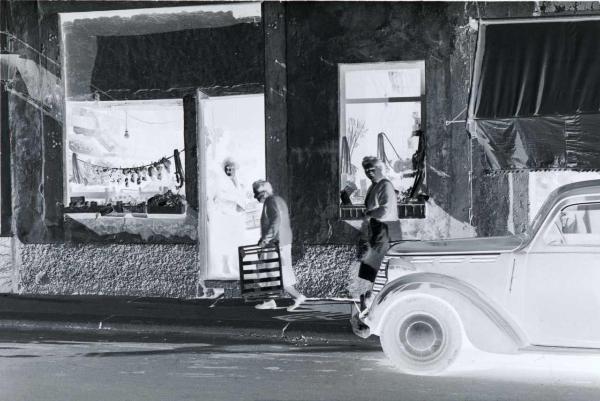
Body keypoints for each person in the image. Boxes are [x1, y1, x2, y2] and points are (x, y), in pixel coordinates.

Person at [252, 180, 306, 311]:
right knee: (271, 270)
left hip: (276, 243)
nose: (255, 197)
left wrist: (265, 239)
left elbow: (276, 221)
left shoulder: (270, 201)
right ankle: (269, 300)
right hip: (283, 242)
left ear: (263, 193)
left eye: (256, 194)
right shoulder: (278, 200)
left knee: (270, 271)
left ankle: (297, 296)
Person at [358, 156, 399, 311]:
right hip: (376, 230)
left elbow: (385, 210)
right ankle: (371, 301)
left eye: (372, 169)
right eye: (366, 170)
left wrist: (369, 214)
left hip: (385, 230)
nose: (369, 172)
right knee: (374, 268)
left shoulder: (385, 185)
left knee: (379, 268)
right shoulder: (373, 186)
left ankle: (371, 301)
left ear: (380, 168)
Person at [208, 158, 247, 277]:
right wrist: (234, 203)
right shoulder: (221, 182)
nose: (229, 171)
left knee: (235, 241)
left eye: (231, 168)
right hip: (225, 215)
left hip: (236, 216)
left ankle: (234, 266)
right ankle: (225, 266)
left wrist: (241, 204)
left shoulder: (237, 181)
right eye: (227, 169)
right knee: (225, 241)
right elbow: (217, 198)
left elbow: (241, 196)